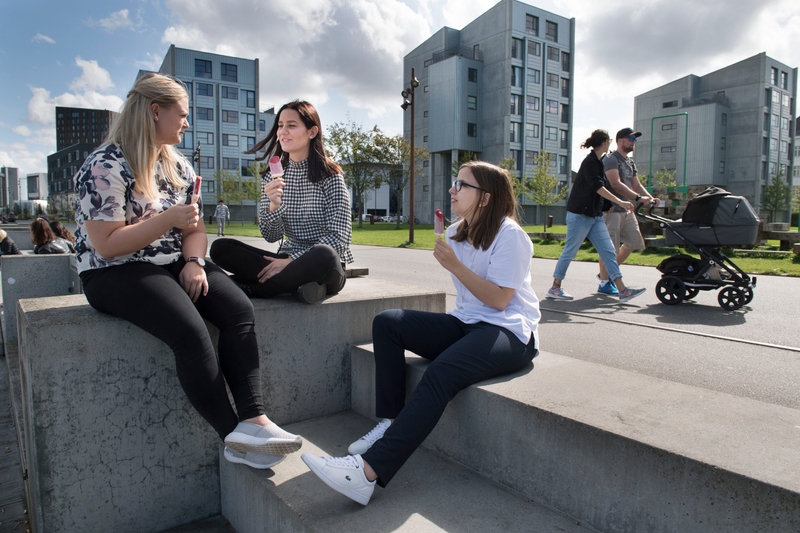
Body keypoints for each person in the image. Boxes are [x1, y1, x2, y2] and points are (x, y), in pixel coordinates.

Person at [72, 73, 302, 470]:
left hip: (174, 260)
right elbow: (107, 243)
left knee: (239, 311)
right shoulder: (104, 165)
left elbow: (195, 229)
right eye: (182, 114)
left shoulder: (178, 164)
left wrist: (195, 262)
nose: (188, 123)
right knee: (191, 332)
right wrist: (167, 221)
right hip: (113, 270)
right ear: (155, 111)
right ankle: (233, 437)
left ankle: (255, 419)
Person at [301, 161, 541, 505]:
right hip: (468, 322)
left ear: (485, 198)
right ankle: (391, 421)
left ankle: (366, 473)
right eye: (455, 182)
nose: (452, 189)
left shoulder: (511, 236)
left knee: (442, 371)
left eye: (462, 185)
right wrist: (453, 255)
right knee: (388, 322)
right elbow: (472, 302)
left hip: (510, 332)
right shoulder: (458, 232)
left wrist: (455, 265)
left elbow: (501, 301)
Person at [210, 100, 353, 305]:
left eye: (291, 125)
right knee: (221, 248)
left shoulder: (331, 177)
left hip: (324, 265)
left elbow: (340, 238)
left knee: (325, 254)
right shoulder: (272, 177)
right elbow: (271, 236)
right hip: (284, 257)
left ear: (312, 132)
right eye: (280, 125)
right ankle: (301, 287)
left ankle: (255, 289)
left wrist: (291, 262)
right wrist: (273, 207)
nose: (282, 131)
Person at [546, 129, 646, 303]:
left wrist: (607, 206)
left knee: (608, 251)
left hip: (595, 216)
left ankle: (623, 291)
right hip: (580, 215)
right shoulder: (590, 162)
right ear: (606, 142)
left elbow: (601, 190)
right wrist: (620, 202)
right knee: (570, 252)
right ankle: (555, 287)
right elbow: (597, 187)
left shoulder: (600, 162)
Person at [597, 128, 660, 294]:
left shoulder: (629, 162)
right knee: (609, 248)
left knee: (634, 241)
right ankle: (604, 283)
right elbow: (615, 183)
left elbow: (636, 185)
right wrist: (639, 198)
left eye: (635, 139)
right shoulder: (611, 159)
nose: (633, 142)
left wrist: (650, 197)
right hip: (611, 210)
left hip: (626, 209)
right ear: (619, 140)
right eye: (630, 138)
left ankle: (609, 273)